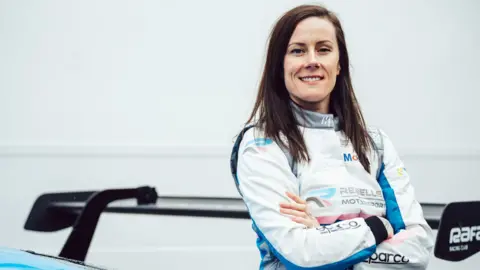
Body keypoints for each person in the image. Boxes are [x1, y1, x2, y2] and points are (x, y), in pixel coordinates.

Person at [229, 4, 434, 270]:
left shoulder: (376, 144)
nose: (312, 60)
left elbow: (416, 251)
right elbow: (301, 253)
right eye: (297, 50)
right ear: (280, 66)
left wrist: (326, 238)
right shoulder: (261, 143)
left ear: (339, 65)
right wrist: (377, 226)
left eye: (323, 49)